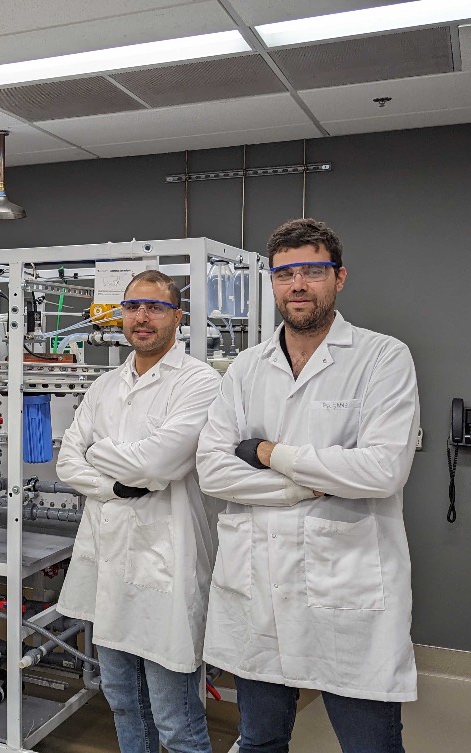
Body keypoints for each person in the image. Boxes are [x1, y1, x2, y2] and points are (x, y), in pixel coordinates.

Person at [197, 218, 420, 753]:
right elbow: (212, 469)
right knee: (259, 740)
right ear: (272, 283)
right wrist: (308, 482)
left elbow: (382, 470)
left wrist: (270, 453)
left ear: (338, 278)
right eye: (285, 273)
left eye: (312, 271)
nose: (298, 285)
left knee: (370, 746)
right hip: (260, 587)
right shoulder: (246, 368)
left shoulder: (382, 358)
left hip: (346, 591)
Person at [56, 270, 220, 753]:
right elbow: (67, 459)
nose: (142, 317)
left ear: (178, 317)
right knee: (122, 700)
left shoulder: (200, 383)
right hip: (109, 563)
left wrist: (101, 453)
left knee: (176, 719)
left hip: (166, 564)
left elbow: (159, 464)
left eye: (155, 307)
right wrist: (118, 482)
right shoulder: (105, 384)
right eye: (132, 307)